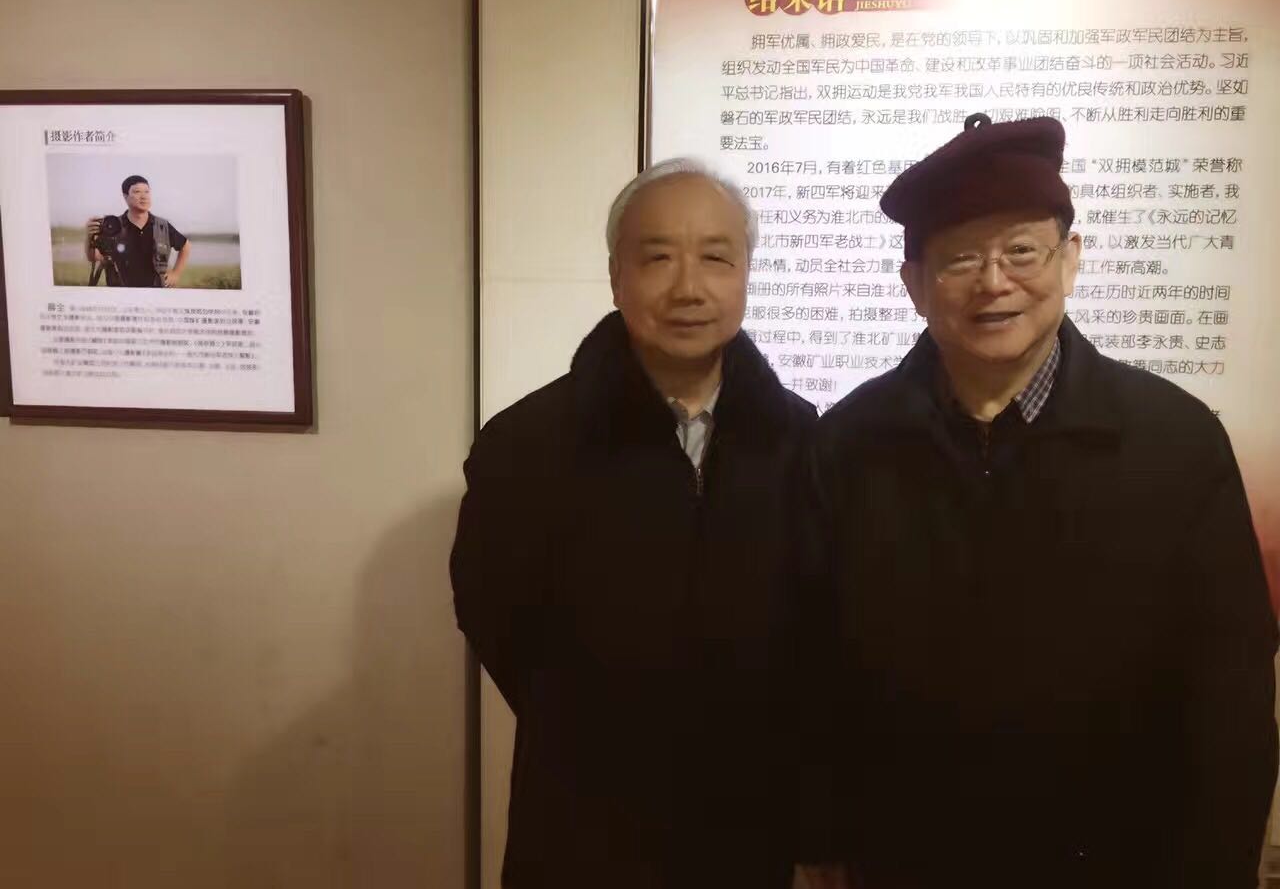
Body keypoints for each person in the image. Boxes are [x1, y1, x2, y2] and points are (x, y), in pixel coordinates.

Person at [814, 113, 1278, 887]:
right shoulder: (848, 446)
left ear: (1071, 259)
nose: (994, 282)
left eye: (1021, 252)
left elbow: (1229, 705)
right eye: (961, 258)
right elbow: (816, 675)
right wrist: (823, 840)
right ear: (914, 285)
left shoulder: (1175, 443)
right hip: (909, 864)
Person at [451, 159, 832, 888]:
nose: (688, 287)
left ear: (746, 274)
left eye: (716, 258)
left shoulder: (799, 440)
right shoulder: (527, 443)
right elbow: (494, 616)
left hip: (746, 827)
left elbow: (815, 627)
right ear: (615, 276)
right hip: (582, 827)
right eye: (657, 257)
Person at [84, 175, 190, 287]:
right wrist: (89, 237)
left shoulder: (161, 226)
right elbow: (93, 257)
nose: (143, 196)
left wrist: (176, 274)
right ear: (125, 196)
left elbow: (185, 245)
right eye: (137, 192)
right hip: (119, 292)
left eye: (147, 192)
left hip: (155, 292)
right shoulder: (114, 225)